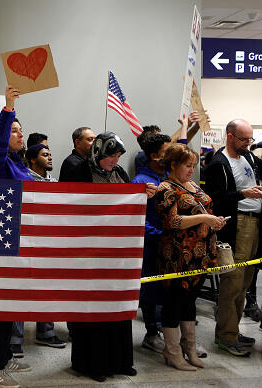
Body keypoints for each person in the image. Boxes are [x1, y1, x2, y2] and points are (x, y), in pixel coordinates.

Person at [63, 131, 156, 382]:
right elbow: (69, 208)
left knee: (118, 306)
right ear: (98, 153)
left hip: (117, 255)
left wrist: (141, 193)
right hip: (89, 254)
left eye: (117, 156)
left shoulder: (120, 174)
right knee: (93, 309)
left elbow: (129, 202)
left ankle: (120, 360)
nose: (114, 161)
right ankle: (93, 364)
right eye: (110, 156)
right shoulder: (79, 171)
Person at [155, 143, 225, 370]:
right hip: (178, 254)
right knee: (174, 302)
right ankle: (172, 351)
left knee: (190, 301)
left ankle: (190, 349)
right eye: (187, 165)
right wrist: (205, 219)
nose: (191, 170)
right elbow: (172, 221)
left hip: (201, 252)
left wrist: (214, 221)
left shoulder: (192, 184)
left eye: (194, 165)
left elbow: (204, 210)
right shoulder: (165, 187)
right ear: (173, 165)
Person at [0, 85, 32, 388]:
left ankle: (5, 353)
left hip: (22, 237)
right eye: (13, 131)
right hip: (4, 239)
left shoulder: (19, 164)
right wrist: (9, 107)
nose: (19, 135)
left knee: (14, 304)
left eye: (21, 131)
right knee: (3, 306)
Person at [205, 119, 262, 356]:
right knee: (233, 282)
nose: (248, 144)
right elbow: (215, 199)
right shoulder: (219, 163)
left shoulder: (248, 157)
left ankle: (233, 330)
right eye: (244, 139)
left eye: (250, 140)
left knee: (246, 282)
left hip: (255, 223)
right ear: (230, 136)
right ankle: (226, 336)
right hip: (237, 225)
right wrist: (243, 193)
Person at [9, 143, 66, 359]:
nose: (50, 157)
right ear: (33, 159)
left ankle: (46, 331)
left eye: (51, 154)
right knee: (20, 288)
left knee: (47, 286)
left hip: (47, 241)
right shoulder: (23, 177)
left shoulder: (54, 183)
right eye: (45, 155)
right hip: (24, 238)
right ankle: (15, 339)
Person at [132, 132, 171, 354]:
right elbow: (138, 219)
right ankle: (151, 332)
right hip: (151, 243)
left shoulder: (169, 175)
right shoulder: (141, 182)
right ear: (155, 155)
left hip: (170, 243)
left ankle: (170, 331)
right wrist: (159, 235)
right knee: (151, 288)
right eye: (167, 151)